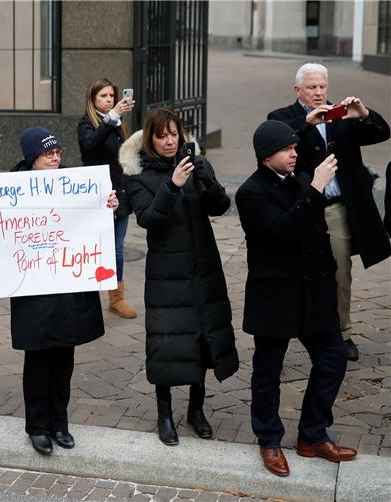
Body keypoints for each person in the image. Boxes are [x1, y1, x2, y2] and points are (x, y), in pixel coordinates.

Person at [0, 127, 117, 455]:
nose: (55, 157)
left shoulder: (74, 185)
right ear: (32, 157)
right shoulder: (11, 187)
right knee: (38, 359)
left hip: (68, 286)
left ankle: (59, 423)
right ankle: (37, 427)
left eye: (58, 152)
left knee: (65, 356)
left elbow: (96, 217)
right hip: (33, 288)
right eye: (48, 153)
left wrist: (109, 204)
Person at [236, 120, 357, 477]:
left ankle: (312, 435)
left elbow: (315, 233)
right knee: (268, 371)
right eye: (286, 149)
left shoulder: (302, 180)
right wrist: (316, 188)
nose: (294, 153)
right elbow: (284, 230)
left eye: (294, 147)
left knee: (334, 358)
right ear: (265, 156)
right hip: (275, 294)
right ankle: (269, 440)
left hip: (314, 294)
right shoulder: (250, 193)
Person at [121, 108, 238, 446]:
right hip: (166, 274)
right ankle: (164, 414)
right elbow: (147, 219)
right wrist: (172, 186)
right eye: (162, 135)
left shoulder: (194, 162)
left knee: (201, 339)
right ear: (150, 139)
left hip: (203, 267)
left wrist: (207, 179)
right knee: (168, 342)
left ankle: (196, 410)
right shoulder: (138, 175)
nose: (170, 141)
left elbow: (219, 206)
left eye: (175, 133)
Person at [267, 63, 391, 361]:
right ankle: (280, 336)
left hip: (336, 210)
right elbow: (271, 145)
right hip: (301, 208)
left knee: (339, 270)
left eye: (322, 86)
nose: (319, 92)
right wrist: (305, 122)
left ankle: (342, 333)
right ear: (298, 89)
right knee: (292, 273)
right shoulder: (282, 117)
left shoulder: (342, 116)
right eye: (312, 87)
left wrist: (364, 115)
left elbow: (382, 133)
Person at [77, 78, 137, 319]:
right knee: (92, 248)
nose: (110, 100)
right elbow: (90, 147)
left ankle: (116, 298)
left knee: (117, 249)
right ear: (92, 100)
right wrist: (111, 117)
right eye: (103, 96)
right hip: (97, 195)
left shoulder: (117, 124)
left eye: (112, 96)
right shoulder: (86, 123)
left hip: (120, 193)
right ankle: (86, 298)